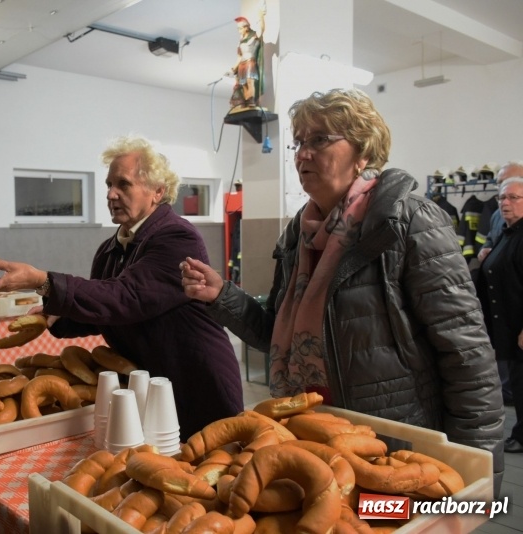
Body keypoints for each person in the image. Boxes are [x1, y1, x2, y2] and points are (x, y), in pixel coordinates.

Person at [180, 88, 505, 495]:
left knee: (386, 519)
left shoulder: (408, 222)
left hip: (389, 448)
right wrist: (221, 296)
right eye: (298, 142)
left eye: (320, 140)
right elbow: (276, 335)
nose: (302, 154)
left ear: (363, 152)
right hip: (311, 435)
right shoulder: (300, 234)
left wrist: (478, 469)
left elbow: (466, 353)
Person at [0, 135, 244, 441]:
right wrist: (54, 314)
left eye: (123, 184)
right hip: (147, 386)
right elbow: (105, 309)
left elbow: (126, 298)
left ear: (157, 192)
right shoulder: (110, 249)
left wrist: (44, 280)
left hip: (194, 383)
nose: (111, 194)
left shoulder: (178, 238)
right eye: (108, 185)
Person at [476, 177, 523, 453]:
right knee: (517, 383)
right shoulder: (508, 233)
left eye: (513, 198)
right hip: (506, 325)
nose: (505, 203)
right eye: (501, 198)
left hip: (519, 328)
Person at [229, 11, 265, 112]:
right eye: (238, 28)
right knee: (243, 84)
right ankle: (245, 102)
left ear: (246, 27)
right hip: (242, 64)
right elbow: (239, 57)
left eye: (240, 28)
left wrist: (261, 17)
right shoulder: (240, 42)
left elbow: (261, 30)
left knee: (250, 82)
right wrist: (232, 70)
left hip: (250, 62)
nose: (239, 30)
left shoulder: (254, 37)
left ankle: (251, 101)